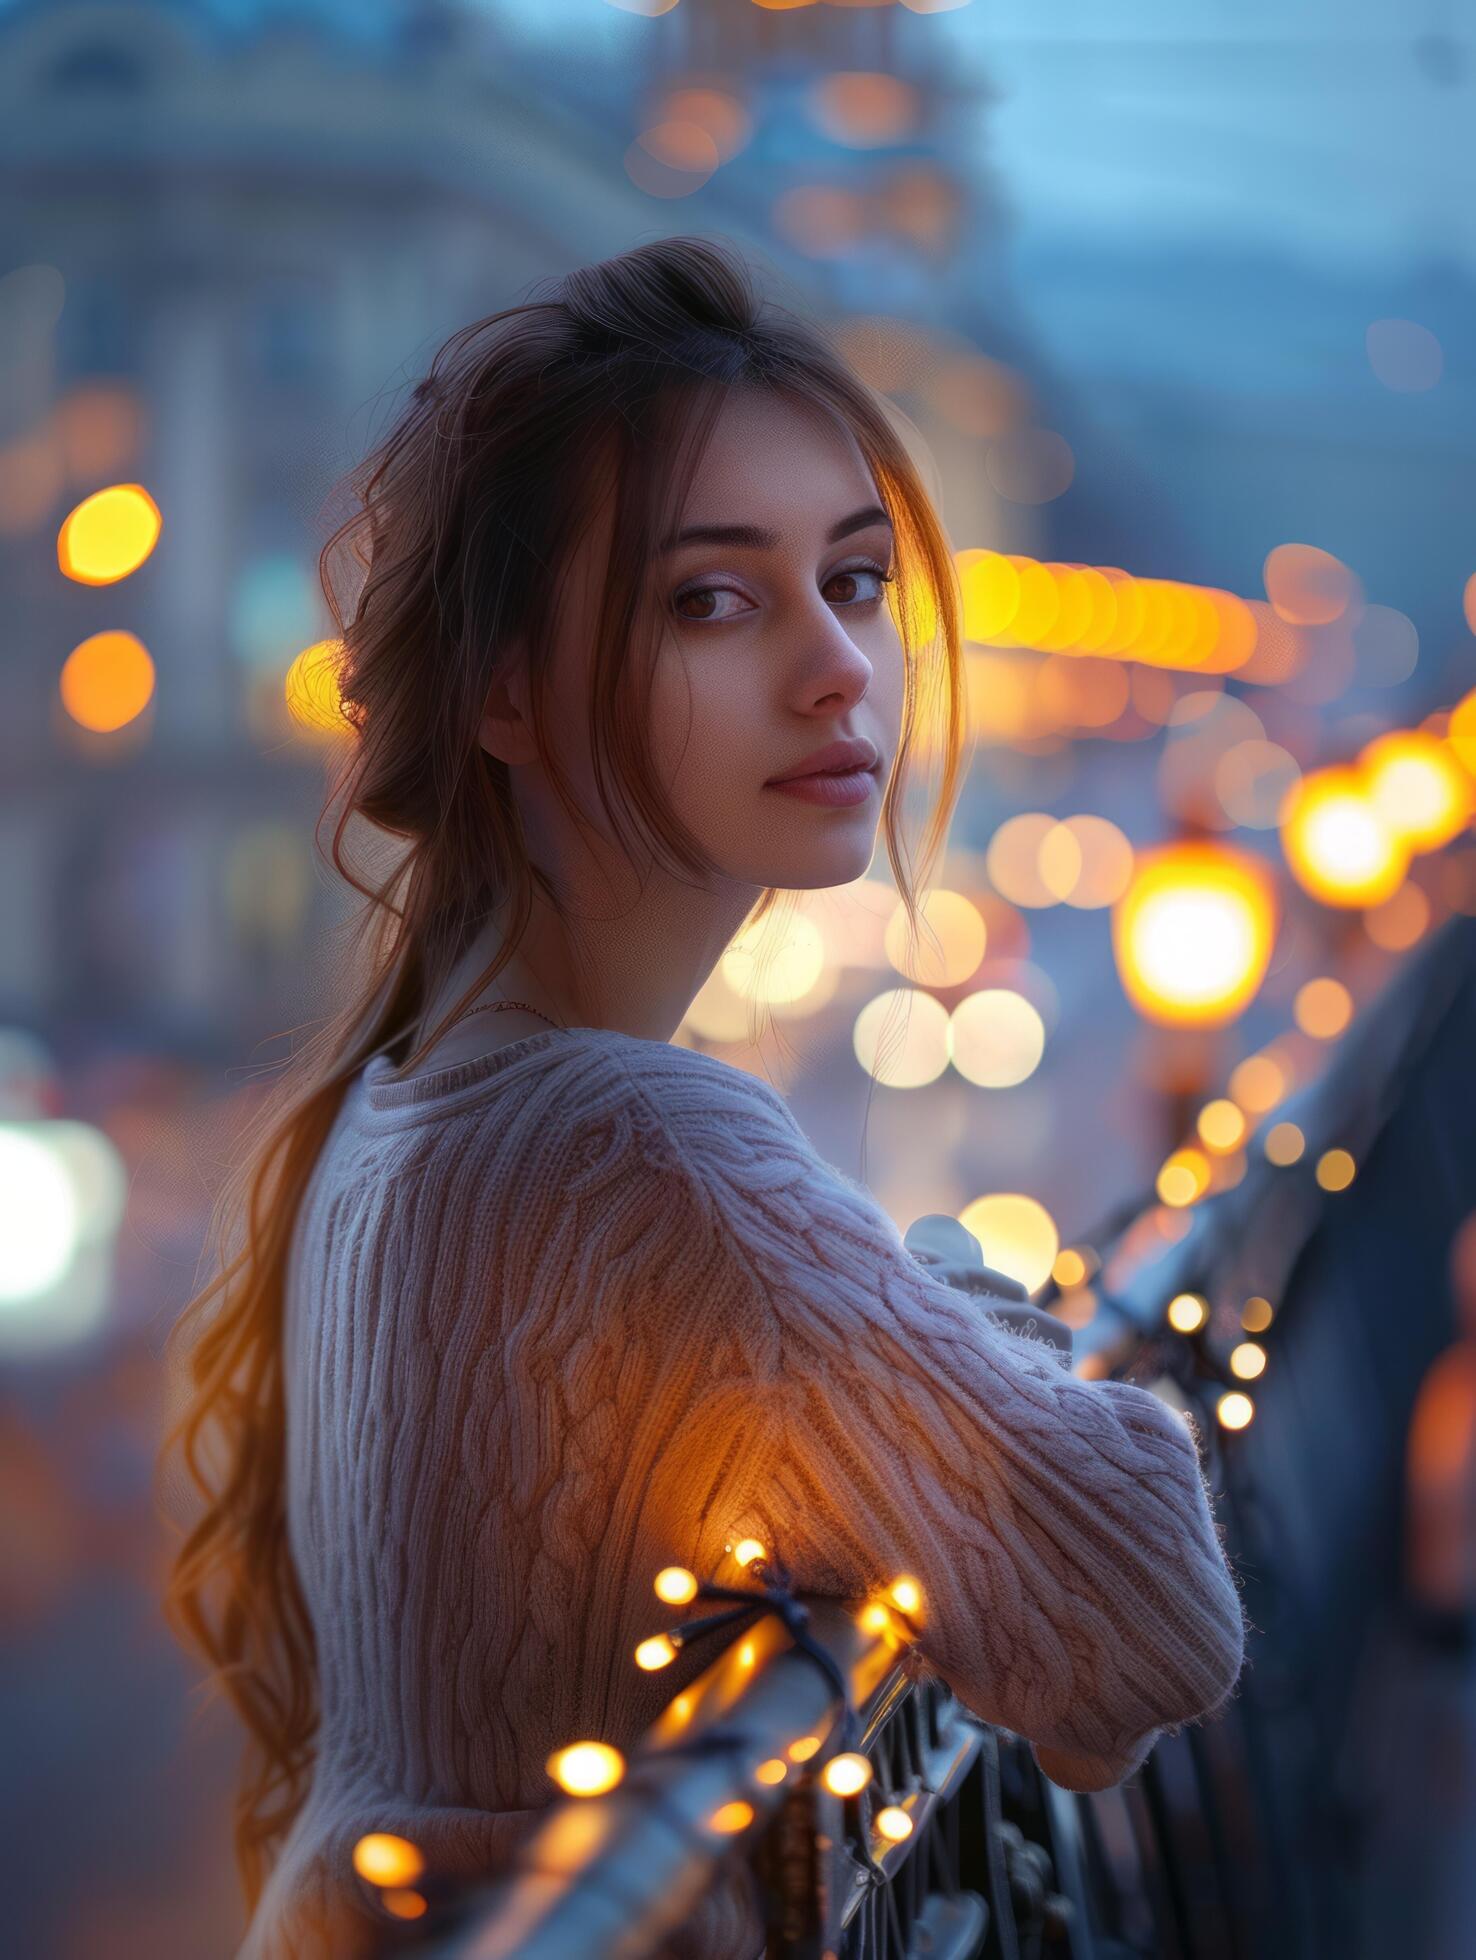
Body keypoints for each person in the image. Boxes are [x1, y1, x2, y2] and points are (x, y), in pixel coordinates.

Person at [156, 236, 1244, 1960]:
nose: (837, 671)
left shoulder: (404, 1098)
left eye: (859, 582)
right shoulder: (643, 1151)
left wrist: (892, 1335)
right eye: (712, 600)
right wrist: (956, 1302)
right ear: (505, 689)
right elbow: (1147, 1623)